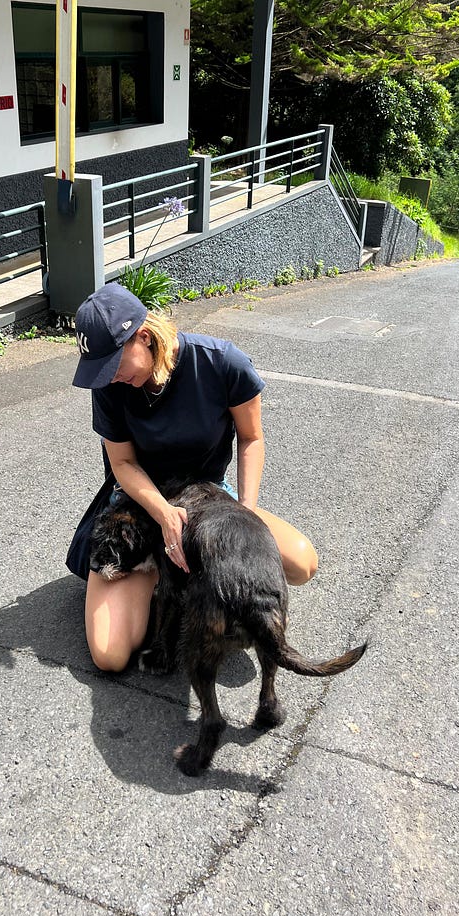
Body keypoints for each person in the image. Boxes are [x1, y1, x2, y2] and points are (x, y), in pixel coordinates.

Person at [69, 282, 318, 672]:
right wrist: (165, 515)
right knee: (110, 655)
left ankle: (179, 576)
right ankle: (159, 580)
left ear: (145, 338)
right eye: (100, 371)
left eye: (114, 365)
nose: (109, 378)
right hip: (140, 505)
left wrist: (245, 515)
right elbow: (123, 464)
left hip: (207, 499)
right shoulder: (110, 386)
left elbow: (251, 439)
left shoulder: (221, 362)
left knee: (302, 562)